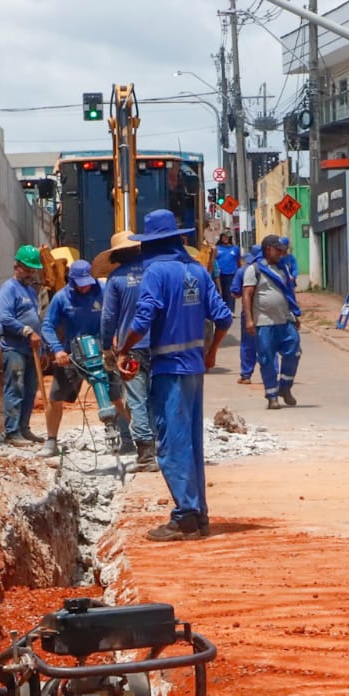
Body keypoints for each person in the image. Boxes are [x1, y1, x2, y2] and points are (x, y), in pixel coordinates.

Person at [122, 209, 233, 541]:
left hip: (169, 370)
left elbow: (143, 319)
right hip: (195, 370)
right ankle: (199, 516)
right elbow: (224, 317)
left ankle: (185, 517)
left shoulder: (156, 272)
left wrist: (124, 349)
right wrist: (211, 352)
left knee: (172, 443)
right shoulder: (197, 270)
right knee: (192, 443)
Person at [39, 259, 133, 457]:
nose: (85, 288)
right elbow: (47, 326)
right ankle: (51, 441)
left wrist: (116, 335)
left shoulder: (104, 289)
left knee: (116, 397)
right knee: (56, 398)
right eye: (80, 285)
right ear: (71, 281)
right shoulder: (61, 298)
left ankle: (127, 439)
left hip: (104, 351)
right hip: (73, 355)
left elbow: (120, 313)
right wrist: (57, 350)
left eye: (87, 283)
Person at [100, 230, 157, 471]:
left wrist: (106, 347)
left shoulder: (116, 279)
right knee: (158, 398)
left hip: (130, 350)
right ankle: (163, 446)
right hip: (160, 346)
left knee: (136, 400)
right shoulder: (155, 272)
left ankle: (146, 455)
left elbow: (109, 317)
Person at [242, 234, 303, 410]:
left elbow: (289, 293)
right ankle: (272, 396)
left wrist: (295, 314)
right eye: (278, 250)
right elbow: (247, 295)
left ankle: (285, 388)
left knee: (294, 351)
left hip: (285, 320)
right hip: (264, 323)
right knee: (266, 358)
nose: (282, 253)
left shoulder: (283, 268)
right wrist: (249, 320)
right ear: (268, 249)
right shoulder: (254, 270)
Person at [0, 245, 47, 444]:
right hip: (14, 348)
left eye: (33, 270)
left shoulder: (31, 291)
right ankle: (12, 432)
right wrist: (27, 331)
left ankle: (24, 428)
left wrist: (42, 348)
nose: (30, 274)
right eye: (27, 269)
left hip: (31, 348)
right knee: (15, 387)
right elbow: (5, 317)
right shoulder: (8, 290)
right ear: (16, 266)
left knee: (30, 389)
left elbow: (36, 318)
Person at [231, 243, 262, 384]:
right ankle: (273, 374)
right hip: (269, 313)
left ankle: (246, 375)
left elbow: (235, 292)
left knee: (248, 344)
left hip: (249, 312)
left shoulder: (243, 271)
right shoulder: (274, 269)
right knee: (269, 345)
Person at [213, 232, 241, 313]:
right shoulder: (217, 248)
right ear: (221, 238)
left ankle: (231, 310)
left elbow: (238, 261)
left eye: (227, 237)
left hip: (232, 274)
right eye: (224, 237)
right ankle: (223, 309)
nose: (225, 238)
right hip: (219, 274)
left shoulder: (235, 248)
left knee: (230, 292)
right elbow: (213, 260)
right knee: (221, 292)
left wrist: (239, 272)